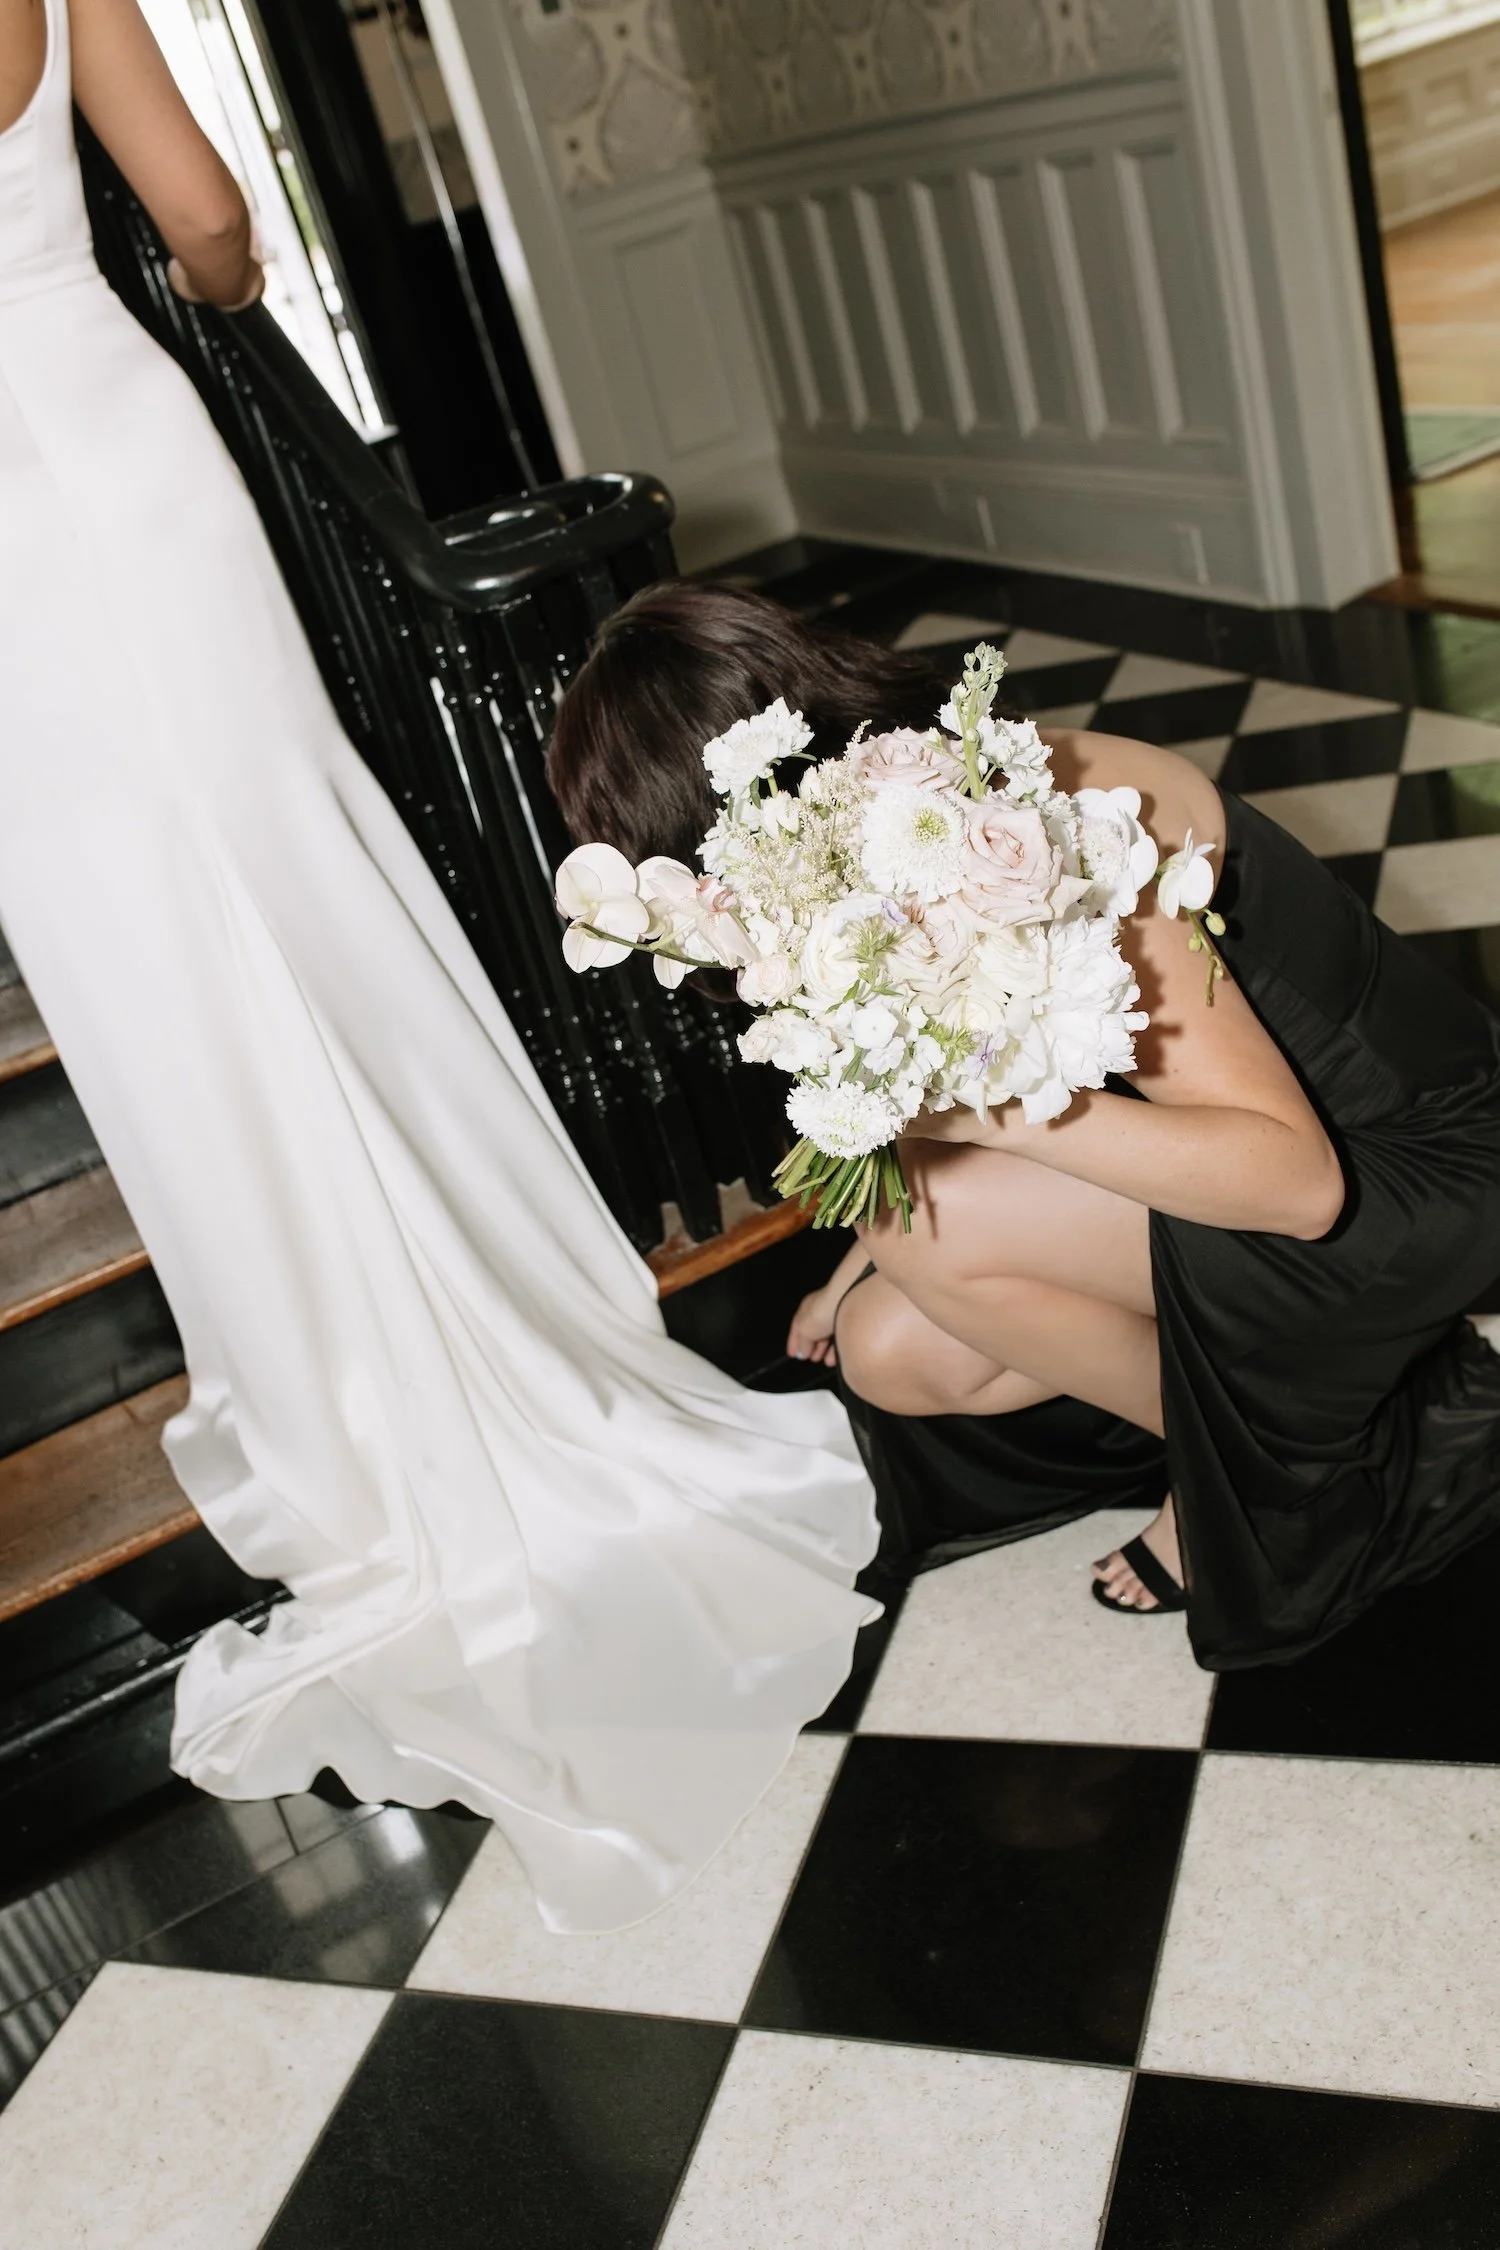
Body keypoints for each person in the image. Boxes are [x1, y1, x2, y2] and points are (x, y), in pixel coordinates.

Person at [0, 0, 882, 1936]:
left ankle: (337, 1407)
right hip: (127, 450)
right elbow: (212, 221)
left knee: (149, 967)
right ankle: (494, 1304)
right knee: (309, 877)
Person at [548, 579, 1500, 1668]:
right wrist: (847, 1264)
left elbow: (1300, 1185)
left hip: (1405, 1171)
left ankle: (1263, 1479)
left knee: (929, 1236)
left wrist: (994, 1118)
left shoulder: (1066, 826)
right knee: (888, 1349)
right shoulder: (871, 862)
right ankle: (1282, 1423)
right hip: (1240, 1172)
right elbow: (937, 1082)